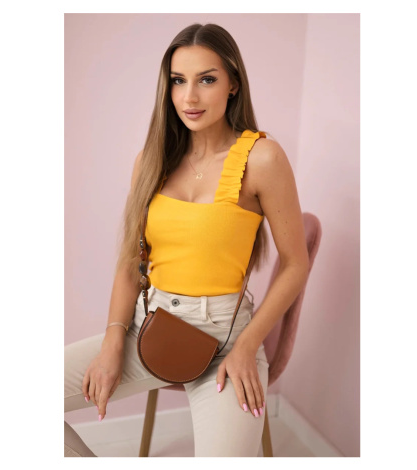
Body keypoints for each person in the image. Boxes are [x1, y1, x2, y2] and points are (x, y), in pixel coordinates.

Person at [64, 22, 310, 457]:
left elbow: (295, 264)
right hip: (150, 329)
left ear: (233, 84)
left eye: (206, 80)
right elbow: (131, 262)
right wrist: (112, 341)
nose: (189, 97)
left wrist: (247, 346)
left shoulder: (262, 159)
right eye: (178, 81)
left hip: (228, 341)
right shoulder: (151, 160)